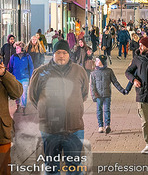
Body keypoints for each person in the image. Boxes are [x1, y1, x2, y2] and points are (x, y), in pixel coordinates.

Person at [29, 40, 89, 174]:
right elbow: (33, 97)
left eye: (64, 53)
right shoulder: (41, 72)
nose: (61, 56)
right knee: (51, 166)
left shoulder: (79, 71)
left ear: (69, 54)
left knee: (74, 166)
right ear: (53, 54)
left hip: (74, 128)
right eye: (58, 53)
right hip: (50, 130)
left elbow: (84, 94)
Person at [90, 54, 130, 134]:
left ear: (102, 62)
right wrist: (94, 96)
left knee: (107, 110)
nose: (96, 62)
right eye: (96, 60)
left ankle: (107, 125)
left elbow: (115, 82)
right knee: (99, 110)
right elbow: (92, 86)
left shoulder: (109, 71)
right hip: (98, 95)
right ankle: (100, 126)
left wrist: (122, 90)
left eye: (98, 60)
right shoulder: (93, 73)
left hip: (107, 94)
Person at [0, 58, 23, 175]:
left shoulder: (3, 75)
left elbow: (17, 92)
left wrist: (4, 74)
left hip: (1, 132)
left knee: (4, 169)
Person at [8, 42, 34, 115]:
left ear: (22, 48)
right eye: (16, 48)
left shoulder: (27, 56)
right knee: (17, 93)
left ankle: (23, 107)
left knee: (24, 93)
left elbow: (31, 67)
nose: (16, 49)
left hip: (25, 77)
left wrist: (31, 76)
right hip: (16, 77)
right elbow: (9, 67)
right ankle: (17, 105)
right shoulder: (13, 57)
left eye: (18, 48)